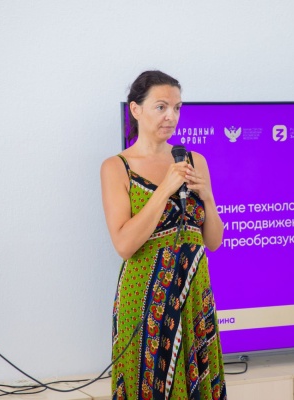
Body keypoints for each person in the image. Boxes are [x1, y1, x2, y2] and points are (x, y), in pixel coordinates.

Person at [100, 70, 227, 399]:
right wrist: (164, 190)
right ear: (136, 109)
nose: (171, 116)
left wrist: (208, 197)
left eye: (177, 107)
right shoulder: (116, 167)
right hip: (146, 301)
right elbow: (124, 245)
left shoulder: (194, 160)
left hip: (194, 297)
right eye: (161, 107)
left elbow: (213, 241)